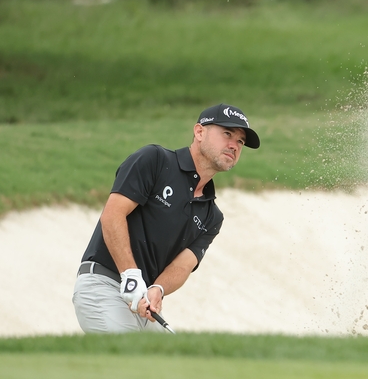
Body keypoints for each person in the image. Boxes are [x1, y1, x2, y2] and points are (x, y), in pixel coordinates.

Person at [72, 104, 260, 333]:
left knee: (171, 366)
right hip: (104, 285)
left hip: (143, 303)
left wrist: (158, 289)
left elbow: (182, 265)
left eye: (240, 142)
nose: (234, 145)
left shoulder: (212, 216)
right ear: (199, 132)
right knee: (130, 364)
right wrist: (130, 275)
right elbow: (112, 214)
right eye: (227, 134)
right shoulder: (156, 161)